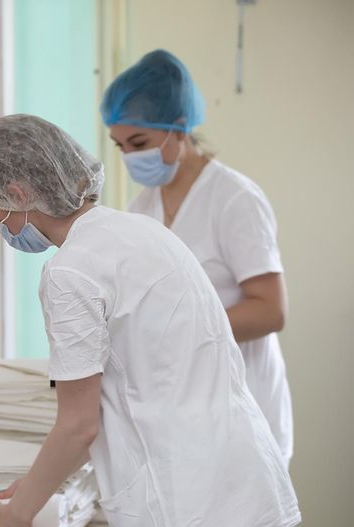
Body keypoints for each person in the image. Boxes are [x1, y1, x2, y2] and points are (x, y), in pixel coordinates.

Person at [0, 114, 300, 527]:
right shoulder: (145, 232)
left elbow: (79, 426)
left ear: (17, 192)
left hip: (184, 501)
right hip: (246, 479)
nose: (1, 226)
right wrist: (33, 486)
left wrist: (18, 514)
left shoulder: (70, 272)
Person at [102, 49, 293, 465]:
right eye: (120, 146)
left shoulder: (234, 199)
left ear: (179, 127)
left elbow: (270, 311)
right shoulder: (142, 208)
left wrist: (177, 329)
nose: (130, 157)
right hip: (183, 408)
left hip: (243, 401)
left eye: (139, 143)